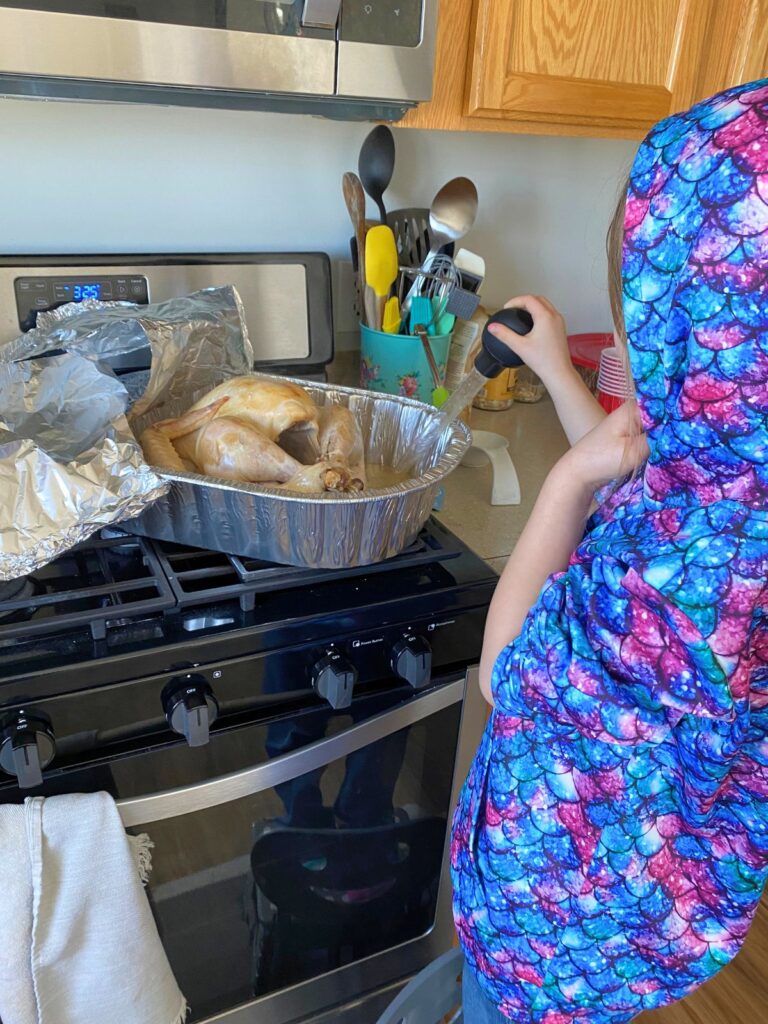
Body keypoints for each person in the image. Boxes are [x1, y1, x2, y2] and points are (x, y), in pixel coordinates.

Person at [452, 77, 768, 1023]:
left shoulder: (669, 589)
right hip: (655, 926)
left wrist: (562, 483)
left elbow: (504, 674)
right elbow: (647, 465)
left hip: (550, 930)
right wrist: (558, 372)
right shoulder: (729, 479)